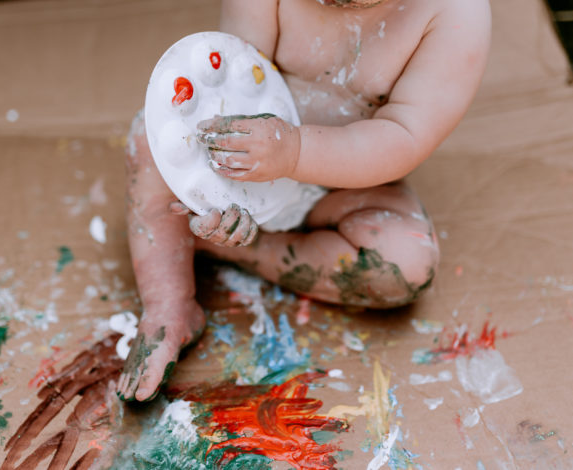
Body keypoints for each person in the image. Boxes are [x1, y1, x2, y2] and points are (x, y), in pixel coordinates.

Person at [117, 0, 491, 401]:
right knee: (148, 139)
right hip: (243, 157)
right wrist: (214, 188)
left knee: (404, 263)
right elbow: (231, 76)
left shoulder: (454, 14)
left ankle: (229, 246)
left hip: (341, 186)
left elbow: (404, 136)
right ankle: (169, 306)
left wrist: (293, 152)